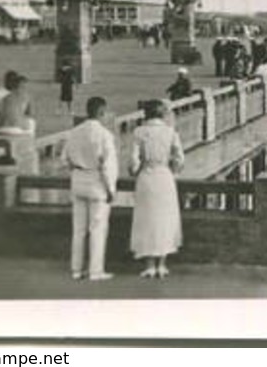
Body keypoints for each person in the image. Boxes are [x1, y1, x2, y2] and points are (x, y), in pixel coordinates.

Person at [63, 96, 118, 281]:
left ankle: (76, 269)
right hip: (97, 182)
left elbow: (64, 159)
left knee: (78, 229)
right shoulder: (105, 135)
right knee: (97, 228)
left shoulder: (73, 132)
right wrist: (111, 189)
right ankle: (95, 270)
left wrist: (77, 169)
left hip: (78, 180)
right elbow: (108, 166)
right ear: (102, 112)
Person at [130, 99, 184, 279]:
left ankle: (149, 265)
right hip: (164, 177)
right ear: (162, 114)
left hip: (146, 177)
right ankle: (162, 264)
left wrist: (134, 171)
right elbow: (179, 159)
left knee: (146, 219)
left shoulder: (139, 132)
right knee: (164, 219)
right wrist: (173, 171)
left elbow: (133, 161)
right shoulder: (170, 132)